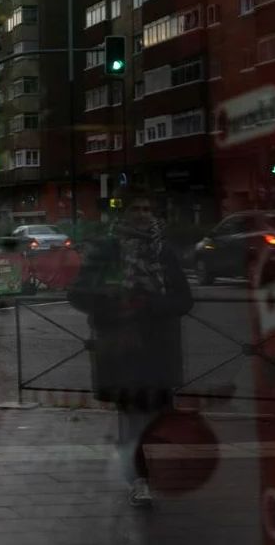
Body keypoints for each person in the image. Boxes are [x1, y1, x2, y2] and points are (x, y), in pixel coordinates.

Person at [68, 188, 192, 508]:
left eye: (148, 207)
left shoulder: (163, 251)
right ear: (124, 212)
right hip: (121, 346)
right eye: (136, 207)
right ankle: (139, 479)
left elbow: (184, 299)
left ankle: (138, 471)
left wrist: (151, 304)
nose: (143, 213)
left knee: (152, 417)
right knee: (132, 417)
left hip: (157, 346)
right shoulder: (107, 248)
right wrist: (115, 303)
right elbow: (79, 293)